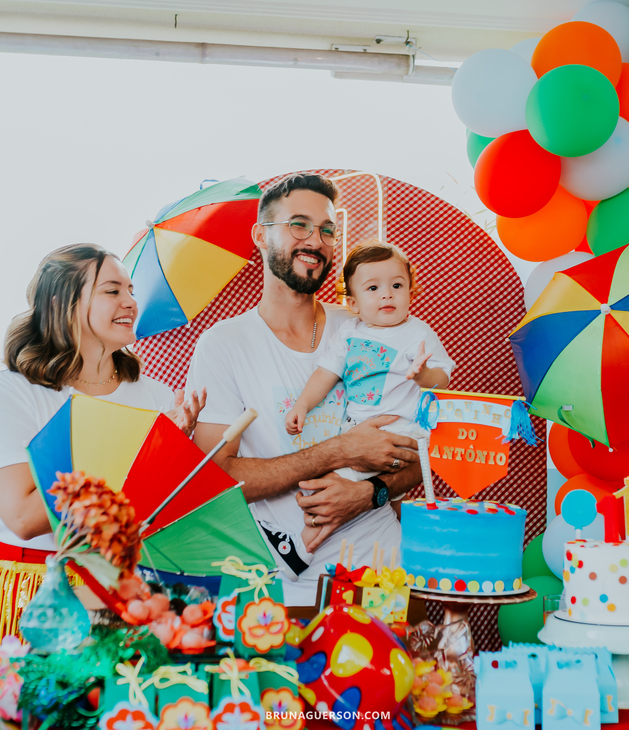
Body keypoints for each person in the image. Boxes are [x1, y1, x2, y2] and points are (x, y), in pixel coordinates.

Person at [187, 173, 426, 606]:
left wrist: (369, 493)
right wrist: (340, 452)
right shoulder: (224, 345)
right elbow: (214, 479)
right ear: (261, 236)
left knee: (394, 675)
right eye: (299, 225)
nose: (315, 240)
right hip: (277, 588)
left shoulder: (368, 329)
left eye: (327, 230)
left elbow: (421, 456)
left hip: (384, 572)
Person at [0, 243, 205, 663]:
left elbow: (164, 513)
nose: (131, 301)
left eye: (131, 290)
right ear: (61, 303)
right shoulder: (12, 392)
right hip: (36, 590)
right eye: (112, 290)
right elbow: (23, 518)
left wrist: (176, 453)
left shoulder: (156, 395)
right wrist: (142, 448)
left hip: (126, 591)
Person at [285, 240, 453, 553]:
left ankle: (302, 545)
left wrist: (423, 375)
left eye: (397, 285)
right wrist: (302, 405)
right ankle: (314, 544)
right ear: (354, 303)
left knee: (326, 488)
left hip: (403, 432)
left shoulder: (419, 333)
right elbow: (325, 374)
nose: (387, 294)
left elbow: (442, 378)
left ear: (411, 292)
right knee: (377, 500)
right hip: (359, 431)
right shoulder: (350, 333)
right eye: (373, 288)